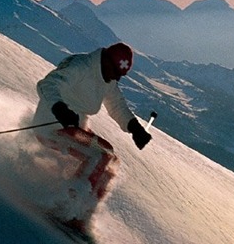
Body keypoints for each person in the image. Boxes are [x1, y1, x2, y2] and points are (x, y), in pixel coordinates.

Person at [32, 42, 151, 228]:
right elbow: (48, 84)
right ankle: (65, 208)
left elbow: (117, 105)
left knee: (110, 156)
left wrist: (135, 128)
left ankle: (84, 213)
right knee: (97, 156)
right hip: (53, 125)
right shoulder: (82, 66)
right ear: (106, 61)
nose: (116, 79)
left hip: (75, 129)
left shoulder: (107, 78)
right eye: (116, 73)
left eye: (121, 76)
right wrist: (59, 108)